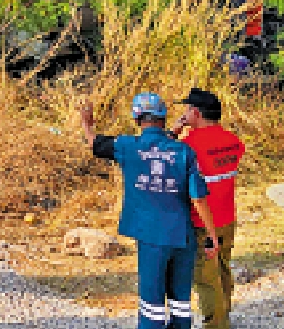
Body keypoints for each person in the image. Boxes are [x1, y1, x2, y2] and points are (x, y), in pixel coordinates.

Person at [81, 93, 219, 329]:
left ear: (136, 118)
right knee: (181, 303)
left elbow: (96, 143)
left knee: (152, 305)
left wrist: (87, 124)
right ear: (163, 118)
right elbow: (198, 197)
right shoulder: (184, 151)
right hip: (182, 236)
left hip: (151, 238)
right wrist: (212, 234)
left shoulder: (127, 146)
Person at [171, 88, 245, 329]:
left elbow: (165, 158)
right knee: (223, 270)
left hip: (202, 223)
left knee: (205, 279)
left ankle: (216, 325)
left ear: (195, 112)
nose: (184, 113)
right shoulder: (233, 142)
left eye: (187, 109)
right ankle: (224, 315)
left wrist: (173, 132)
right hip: (227, 219)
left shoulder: (188, 146)